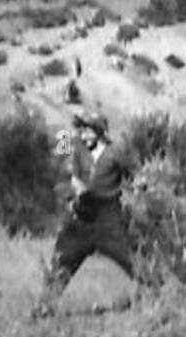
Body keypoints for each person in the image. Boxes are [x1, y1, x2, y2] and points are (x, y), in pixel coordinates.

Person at [40, 111, 134, 307]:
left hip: (108, 217)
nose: (83, 135)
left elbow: (134, 176)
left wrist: (135, 195)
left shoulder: (115, 152)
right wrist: (76, 192)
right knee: (63, 258)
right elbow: (73, 176)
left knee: (131, 260)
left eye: (87, 130)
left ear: (99, 132)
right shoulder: (78, 150)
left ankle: (160, 295)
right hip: (82, 215)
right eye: (81, 130)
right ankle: (46, 305)